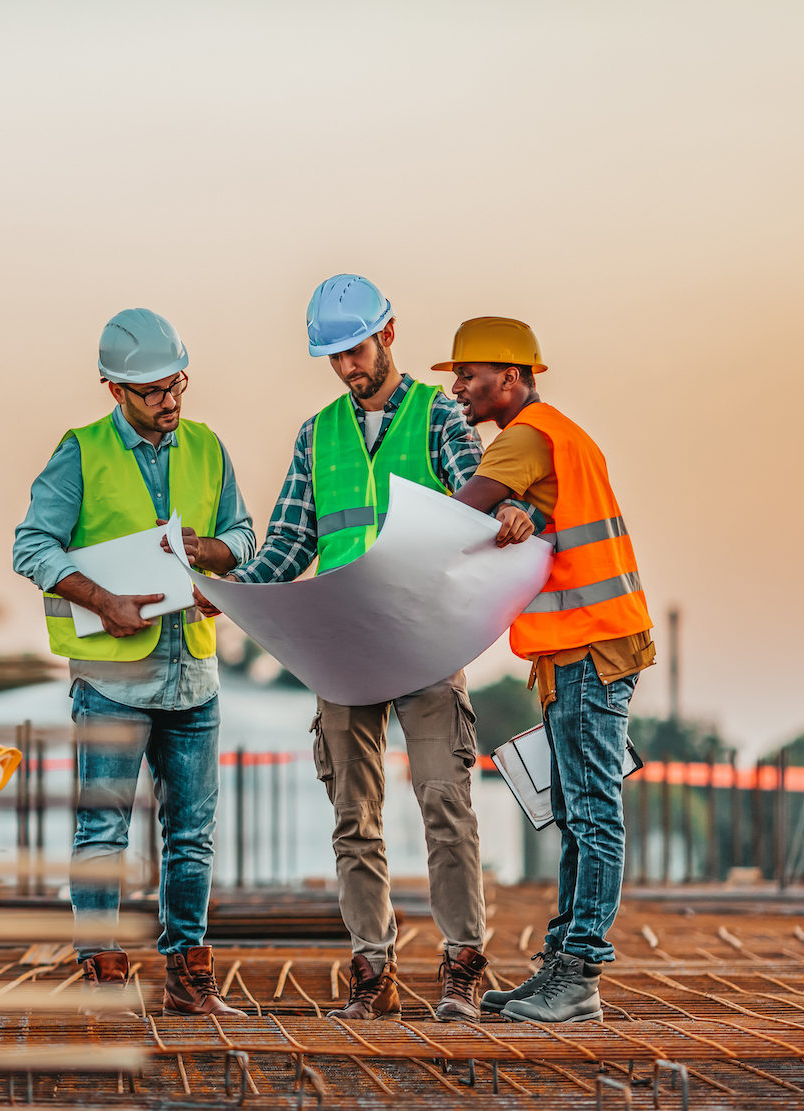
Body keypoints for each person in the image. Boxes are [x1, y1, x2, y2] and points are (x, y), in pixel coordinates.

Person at [225, 275, 534, 1022]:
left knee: (445, 801)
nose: (345, 367)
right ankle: (372, 970)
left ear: (388, 335)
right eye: (332, 357)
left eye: (354, 350)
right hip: (343, 647)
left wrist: (517, 512)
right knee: (353, 817)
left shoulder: (438, 417)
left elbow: (478, 496)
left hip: (425, 638)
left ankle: (463, 965)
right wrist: (234, 590)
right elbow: (290, 545)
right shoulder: (317, 434)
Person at [12, 307, 254, 1016]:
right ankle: (106, 976)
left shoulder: (207, 447)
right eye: (152, 390)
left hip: (193, 672)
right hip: (112, 679)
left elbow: (243, 532)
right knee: (102, 831)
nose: (169, 400)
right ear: (113, 389)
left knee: (191, 835)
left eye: (177, 384)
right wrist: (101, 597)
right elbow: (33, 545)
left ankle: (189, 975)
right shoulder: (80, 451)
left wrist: (210, 559)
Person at [442, 316, 655, 1024]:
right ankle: (561, 968)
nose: (460, 390)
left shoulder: (528, 437)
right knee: (575, 811)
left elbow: (457, 514)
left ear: (510, 375)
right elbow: (524, 516)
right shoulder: (558, 438)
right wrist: (519, 513)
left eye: (468, 377)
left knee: (593, 811)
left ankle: (579, 972)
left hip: (591, 646)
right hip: (584, 649)